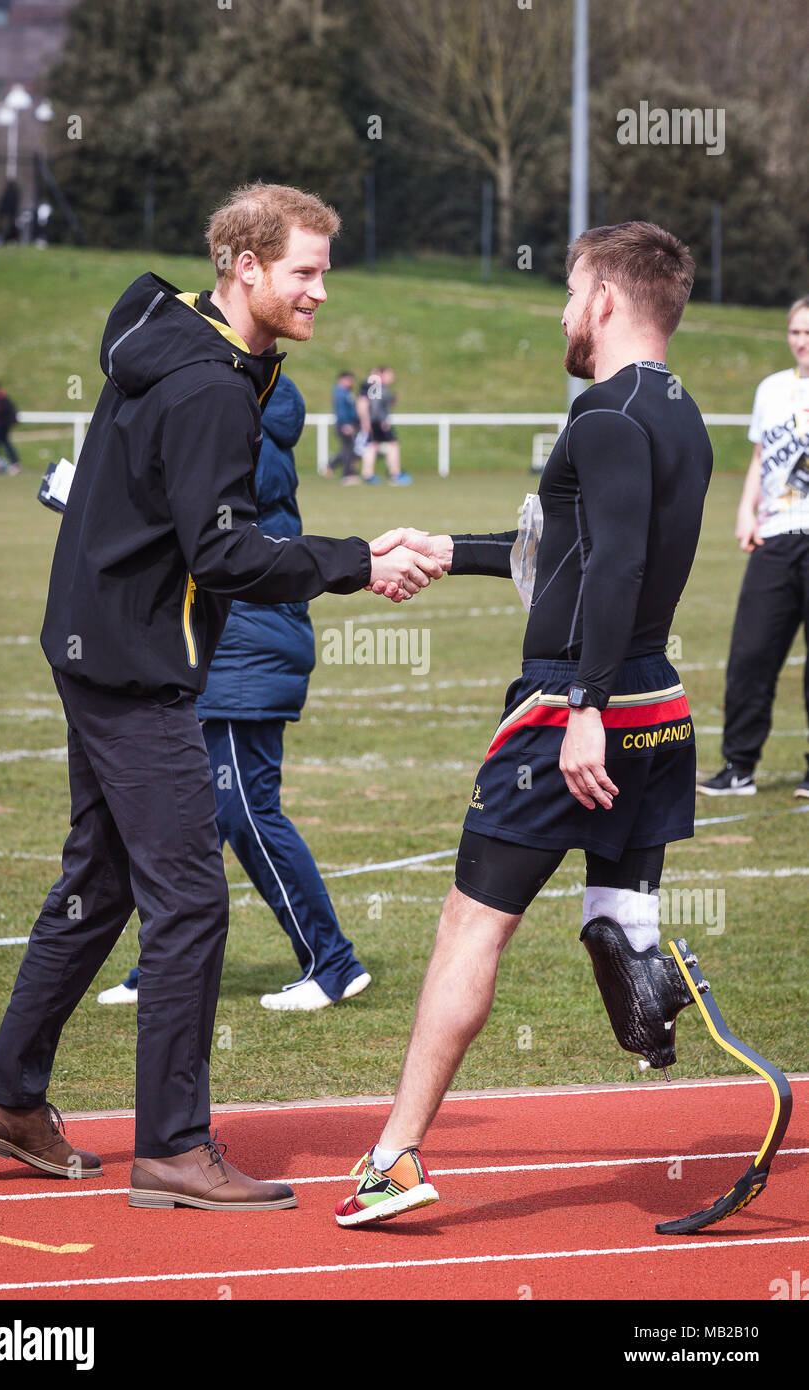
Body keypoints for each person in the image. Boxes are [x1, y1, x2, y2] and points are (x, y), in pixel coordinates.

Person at [0, 182, 441, 1215]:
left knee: (99, 887)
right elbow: (223, 552)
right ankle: (173, 1147)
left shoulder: (160, 327)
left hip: (88, 645)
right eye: (304, 271)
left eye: (323, 269)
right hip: (137, 670)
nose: (321, 290)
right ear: (246, 269)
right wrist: (359, 559)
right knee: (189, 898)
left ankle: (9, 1096)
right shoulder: (213, 384)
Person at [336, 220, 714, 1227]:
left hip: (573, 707)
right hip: (655, 705)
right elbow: (577, 548)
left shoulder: (602, 413)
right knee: (610, 923)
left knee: (470, 926)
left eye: (567, 291)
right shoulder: (677, 413)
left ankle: (395, 1157)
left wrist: (581, 706)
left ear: (601, 299)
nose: (559, 310)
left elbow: (617, 563)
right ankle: (649, 992)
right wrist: (447, 545)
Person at [98, 366, 371, 1012]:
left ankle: (332, 961)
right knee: (194, 817)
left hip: (245, 639)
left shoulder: (243, 432)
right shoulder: (243, 421)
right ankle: (161, 967)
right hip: (233, 636)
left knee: (246, 809)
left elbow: (215, 533)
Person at [698, 296, 809, 799]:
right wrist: (746, 510)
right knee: (750, 654)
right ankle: (738, 768)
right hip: (776, 536)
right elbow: (762, 456)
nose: (802, 341)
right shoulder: (772, 389)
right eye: (795, 332)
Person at [360, 366, 412, 486]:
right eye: (389, 374)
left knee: (374, 446)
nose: (391, 377)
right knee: (391, 445)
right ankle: (394, 474)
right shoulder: (376, 387)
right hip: (378, 422)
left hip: (376, 421)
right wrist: (379, 421)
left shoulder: (379, 388)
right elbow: (371, 404)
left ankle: (369, 474)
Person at [327, 369, 360, 483]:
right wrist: (346, 424)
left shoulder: (346, 391)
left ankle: (330, 466)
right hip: (345, 424)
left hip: (350, 424)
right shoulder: (340, 392)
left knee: (348, 448)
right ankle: (347, 475)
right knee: (348, 449)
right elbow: (341, 410)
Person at [0, 383, 20, 473]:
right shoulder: (3, 398)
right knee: (3, 444)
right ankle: (11, 462)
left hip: (0, 426)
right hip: (3, 426)